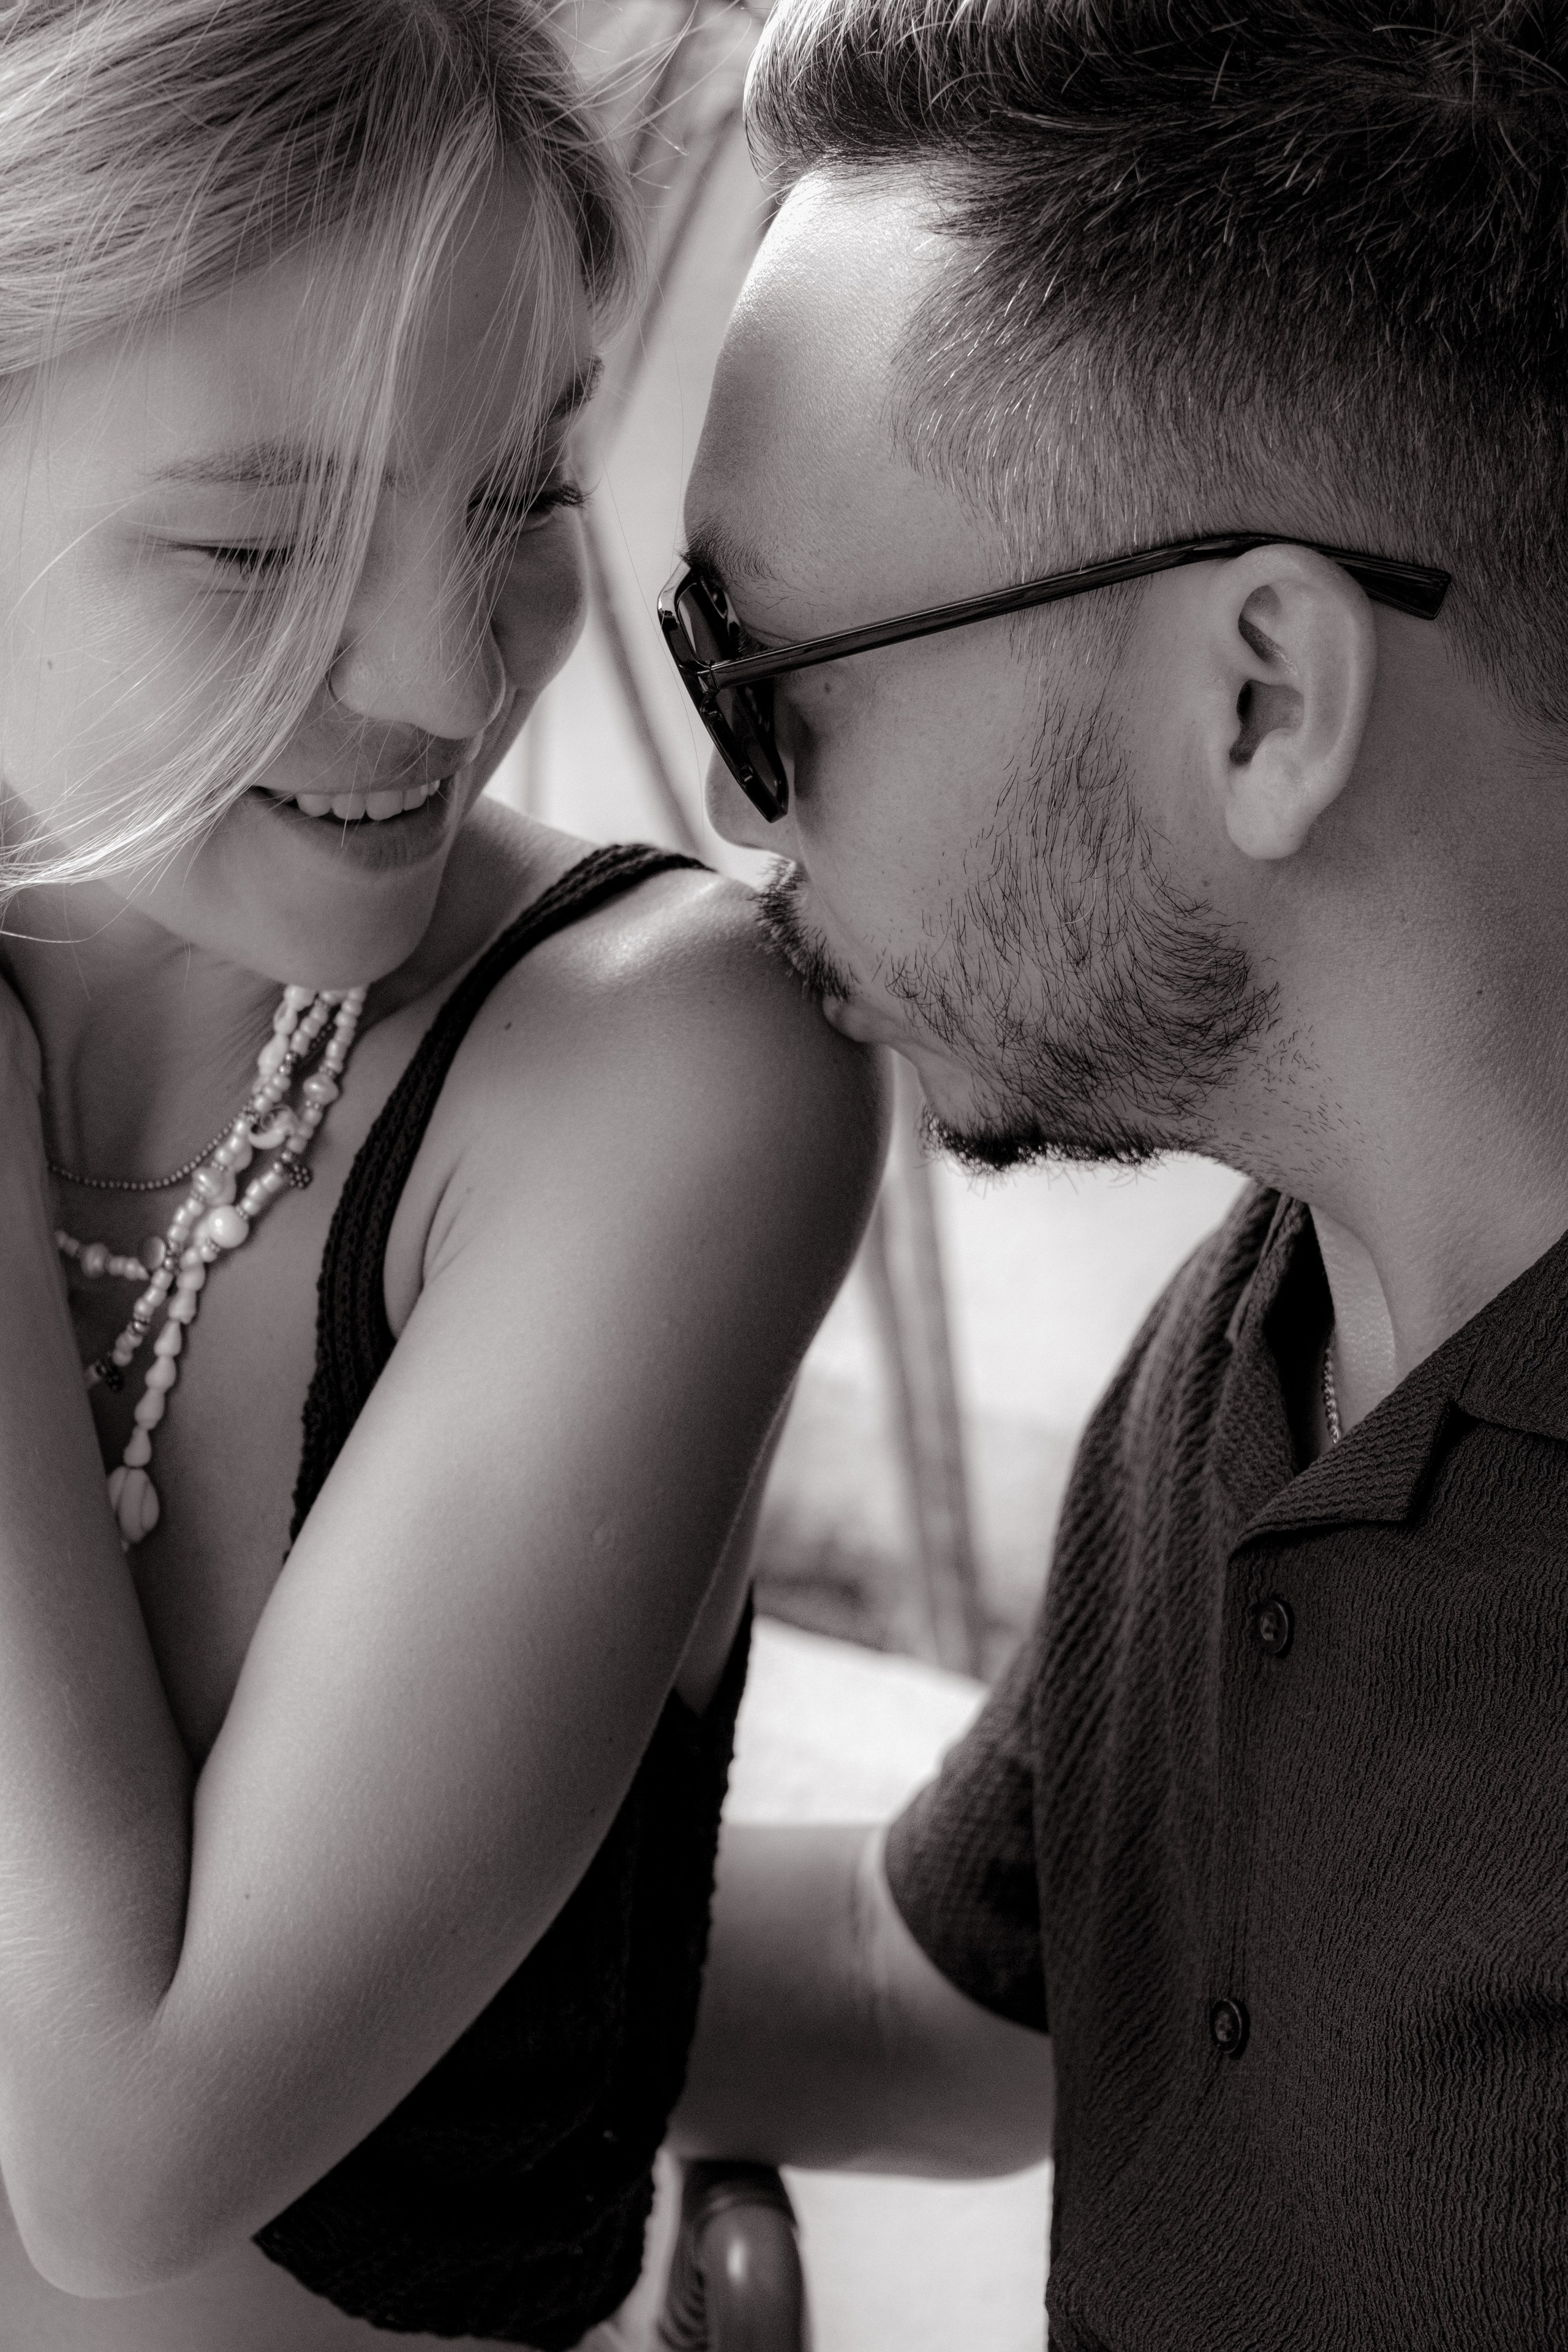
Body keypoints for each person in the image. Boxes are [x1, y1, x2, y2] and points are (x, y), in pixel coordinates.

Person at [665, 0, 1568, 2342]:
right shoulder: (1262, 1333)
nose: (736, 844)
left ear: (1258, 696)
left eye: (772, 685)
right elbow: (909, 1985)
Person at [0, 4, 883, 2347]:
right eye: (254, 544)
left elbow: (130, 2164)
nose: (434, 670)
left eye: (516, 494)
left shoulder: (658, 1066)